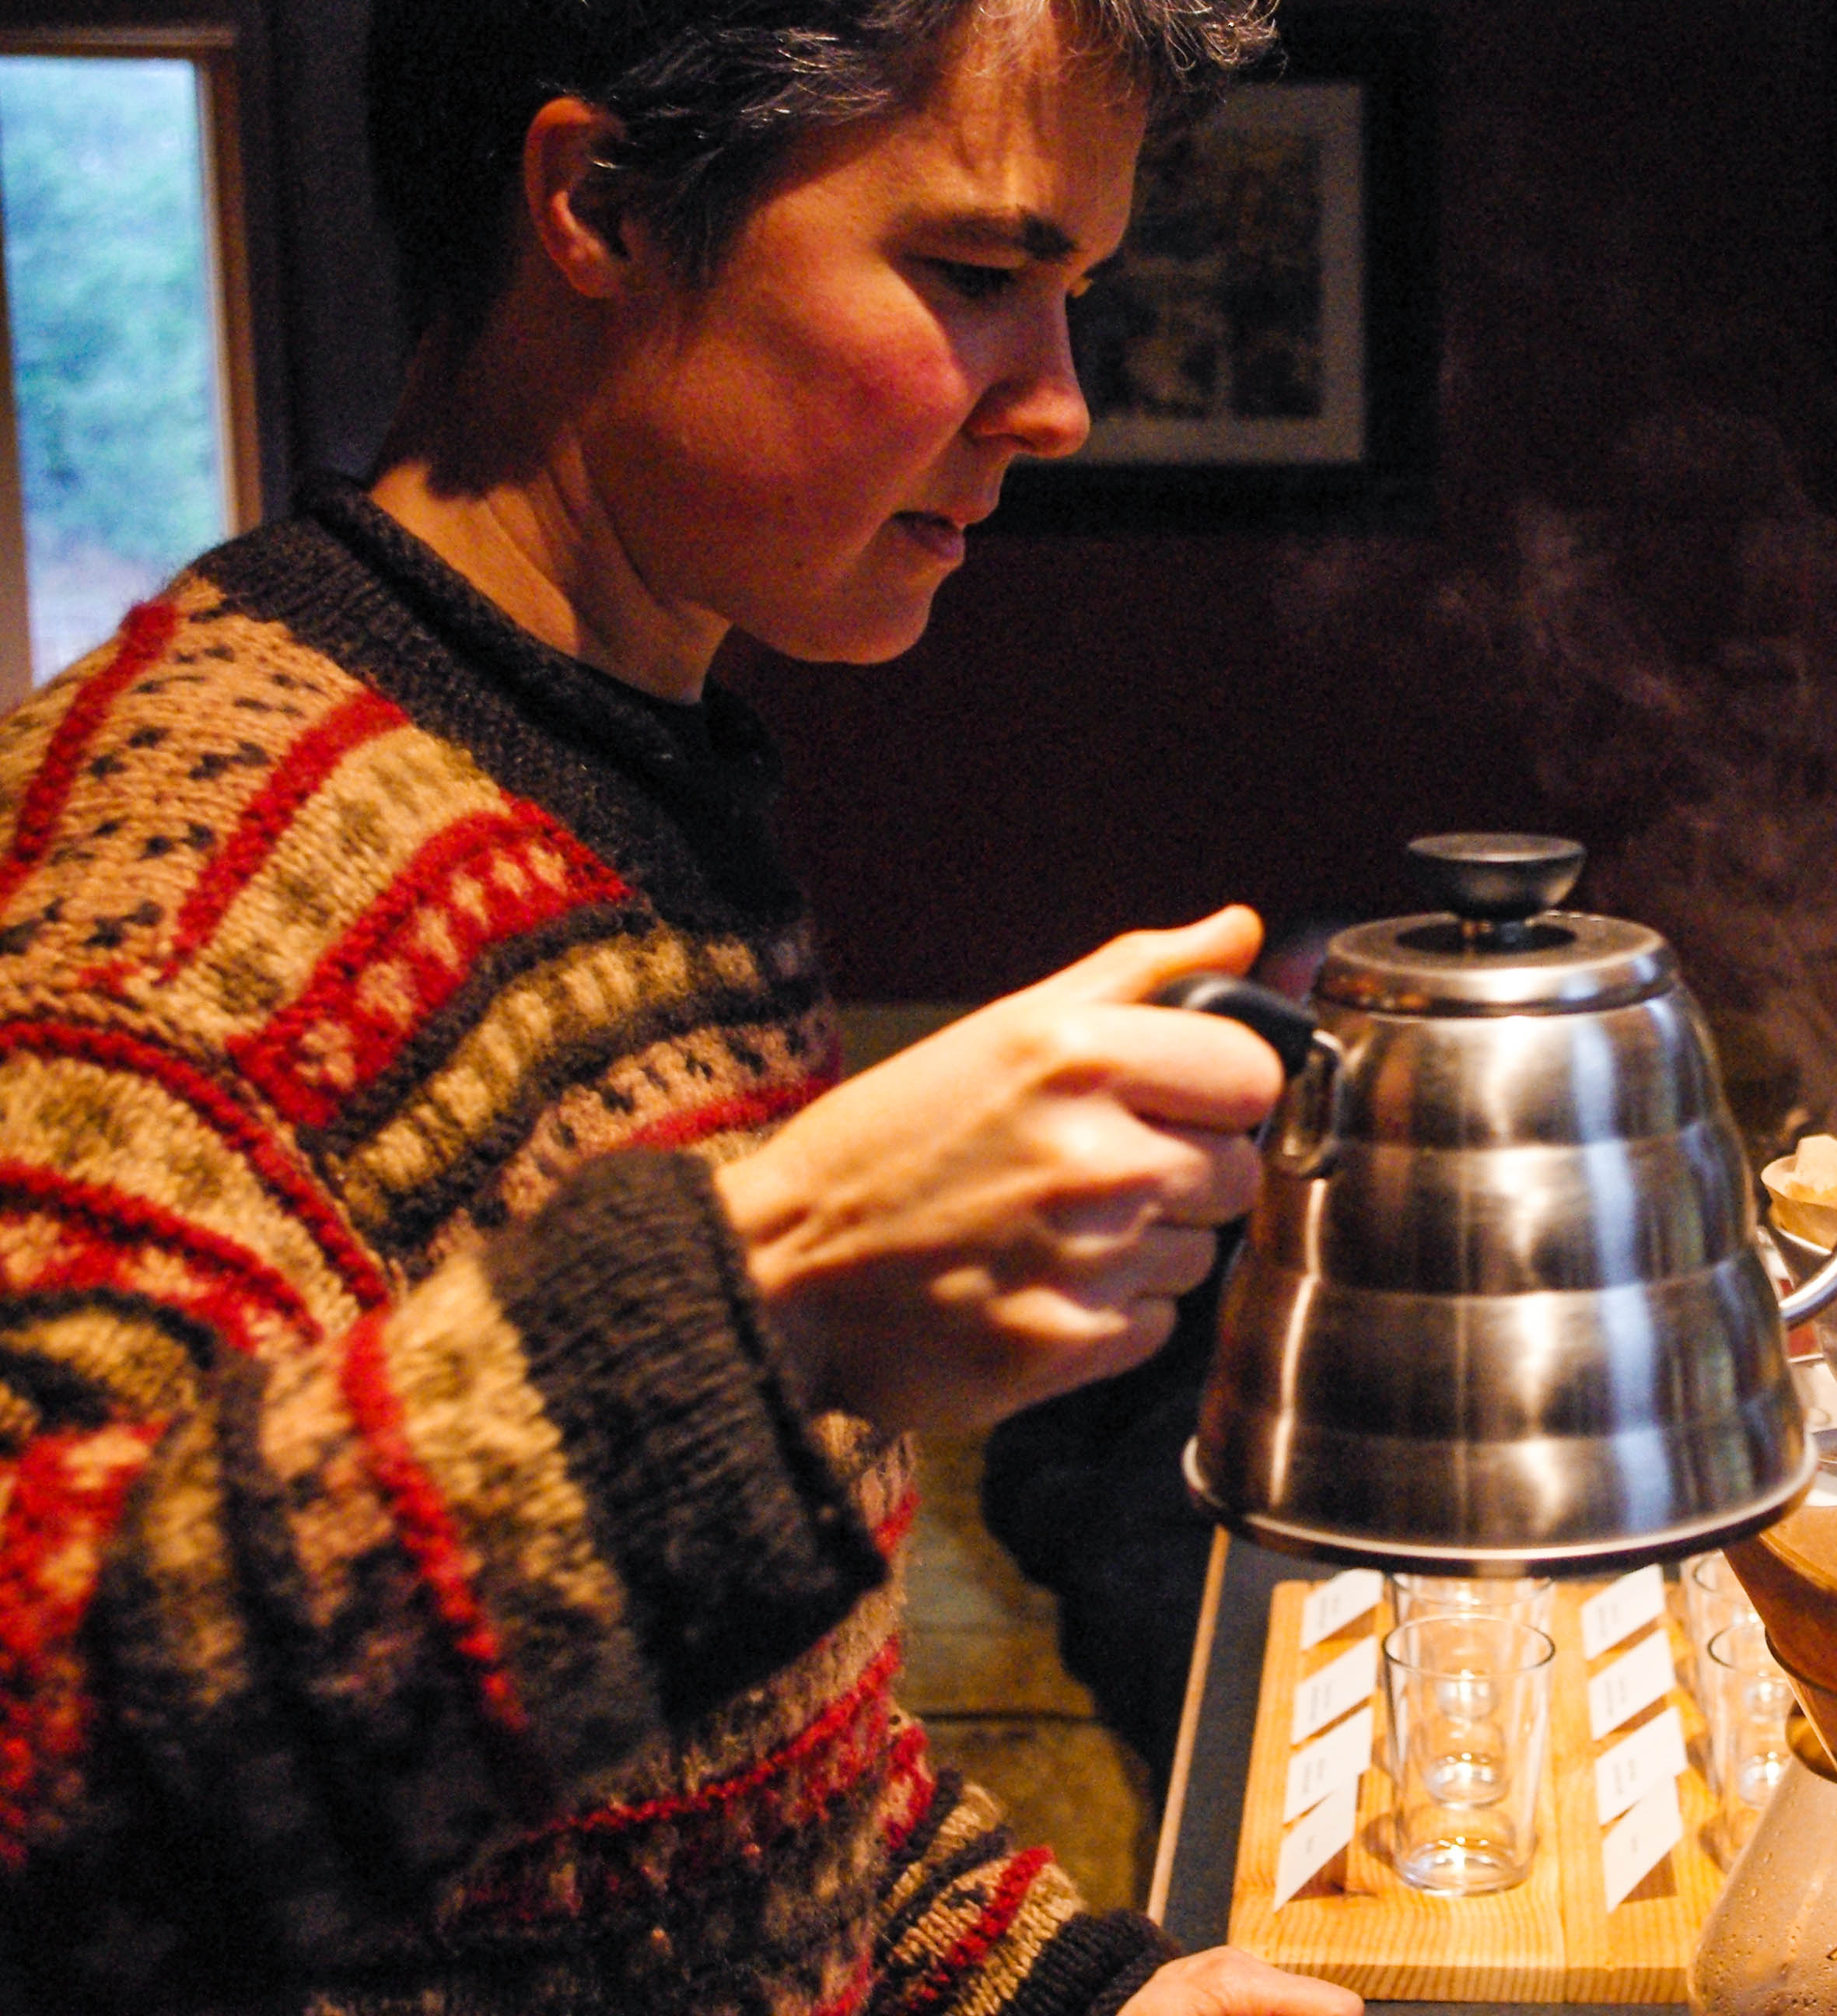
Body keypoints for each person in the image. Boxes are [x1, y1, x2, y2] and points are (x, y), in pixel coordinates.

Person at [0, 3, 1366, 2013]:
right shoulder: (179, 871)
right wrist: (763, 1302)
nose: (1059, 404)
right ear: (603, 206)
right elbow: (49, 1800)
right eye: (973, 275)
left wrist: (1067, 1987)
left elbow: (692, 1773)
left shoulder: (624, 776)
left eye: (1070, 296)